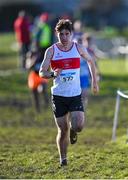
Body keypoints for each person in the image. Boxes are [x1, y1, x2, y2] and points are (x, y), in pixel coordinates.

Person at [39, 19, 99, 166]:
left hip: (74, 94)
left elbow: (91, 61)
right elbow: (41, 72)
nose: (64, 37)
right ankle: (63, 159)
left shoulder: (78, 48)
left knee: (78, 126)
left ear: (71, 34)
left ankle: (74, 130)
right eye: (61, 34)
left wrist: (94, 81)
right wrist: (53, 74)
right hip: (59, 96)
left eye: (67, 34)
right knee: (62, 130)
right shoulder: (52, 50)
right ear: (56, 34)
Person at [26, 48, 49, 112]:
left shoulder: (43, 56)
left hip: (41, 76)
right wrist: (33, 61)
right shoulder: (30, 56)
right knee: (34, 94)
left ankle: (46, 102)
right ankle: (37, 108)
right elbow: (28, 68)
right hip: (34, 76)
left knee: (42, 89)